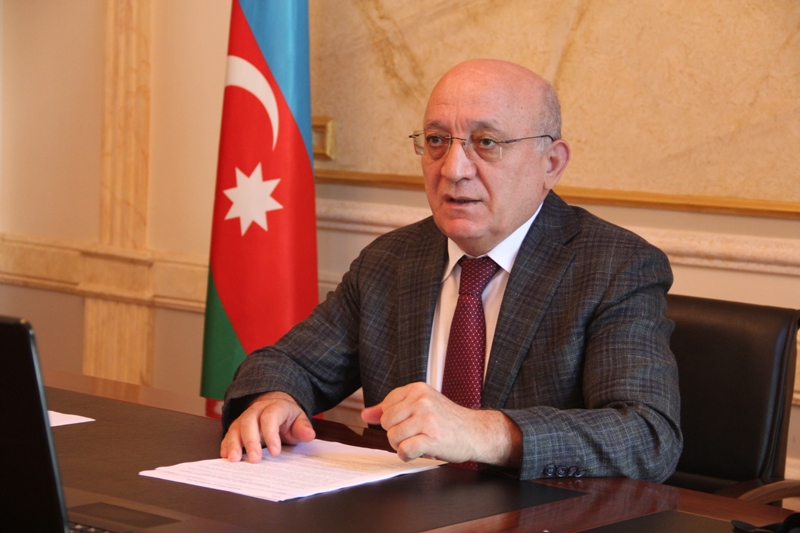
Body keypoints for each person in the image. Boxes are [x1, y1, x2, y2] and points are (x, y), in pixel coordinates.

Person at [219, 59, 683, 482]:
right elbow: (288, 363)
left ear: (551, 163)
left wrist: (484, 432)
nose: (454, 169)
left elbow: (647, 435)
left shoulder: (615, 266)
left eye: (486, 143)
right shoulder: (392, 260)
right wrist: (274, 399)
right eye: (437, 141)